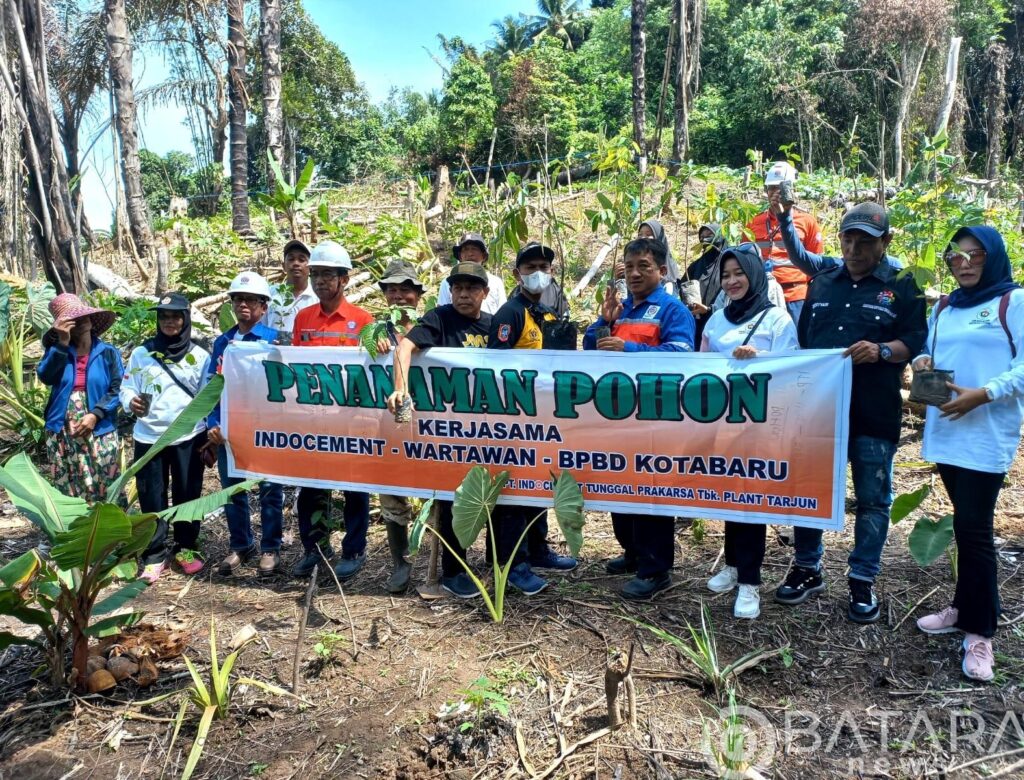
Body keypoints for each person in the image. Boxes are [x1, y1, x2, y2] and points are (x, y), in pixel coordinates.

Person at [772, 200, 927, 623]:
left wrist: (881, 351)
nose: (854, 250)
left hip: (873, 411)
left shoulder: (904, 285)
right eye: (848, 239)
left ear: (885, 242)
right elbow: (804, 345)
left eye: (865, 242)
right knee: (809, 490)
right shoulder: (823, 283)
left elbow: (915, 339)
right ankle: (807, 567)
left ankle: (862, 578)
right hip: (820, 412)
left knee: (873, 498)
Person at [913, 226, 1023, 682]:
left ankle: (981, 633)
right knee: (964, 524)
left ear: (992, 256)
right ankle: (963, 607)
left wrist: (985, 393)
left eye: (974, 254)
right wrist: (921, 361)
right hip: (947, 430)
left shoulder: (1013, 302)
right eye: (956, 256)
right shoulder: (944, 306)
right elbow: (929, 350)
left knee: (975, 531)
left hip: (986, 433)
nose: (964, 263)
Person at [583, 237, 696, 599]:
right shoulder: (621, 308)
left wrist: (629, 348)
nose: (634, 274)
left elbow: (682, 355)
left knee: (650, 491)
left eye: (643, 266)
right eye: (629, 267)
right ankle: (632, 552)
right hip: (617, 418)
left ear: (661, 271)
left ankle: (655, 570)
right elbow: (590, 349)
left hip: (654, 420)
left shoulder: (672, 310)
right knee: (619, 488)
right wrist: (604, 322)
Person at [700, 246, 799, 618]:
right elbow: (701, 366)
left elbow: (792, 367)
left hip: (760, 426)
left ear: (755, 275)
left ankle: (750, 583)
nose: (731, 281)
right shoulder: (716, 320)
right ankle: (732, 565)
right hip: (721, 424)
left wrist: (760, 360)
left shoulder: (777, 320)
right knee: (729, 497)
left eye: (738, 273)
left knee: (751, 502)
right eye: (725, 275)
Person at [386, 261, 493, 598]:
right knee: (450, 499)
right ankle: (454, 571)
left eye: (471, 288)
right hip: (448, 431)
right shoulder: (439, 318)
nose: (464, 294)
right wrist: (401, 389)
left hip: (490, 428)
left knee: (490, 497)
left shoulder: (494, 324)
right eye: (458, 288)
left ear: (485, 293)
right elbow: (405, 347)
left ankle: (498, 562)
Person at [487, 241, 580, 595]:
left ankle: (538, 549)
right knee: (513, 491)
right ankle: (513, 564)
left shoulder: (550, 313)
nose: (538, 273)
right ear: (517, 274)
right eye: (530, 268)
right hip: (514, 420)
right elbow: (496, 366)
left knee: (538, 486)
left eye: (544, 267)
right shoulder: (510, 314)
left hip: (544, 421)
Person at [290, 241, 375, 581]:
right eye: (316, 275)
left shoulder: (362, 320)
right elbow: (296, 367)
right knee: (310, 488)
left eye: (329, 275)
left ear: (344, 279)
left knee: (355, 487)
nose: (321, 281)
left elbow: (373, 370)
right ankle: (315, 548)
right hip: (313, 421)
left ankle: (354, 550)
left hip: (350, 421)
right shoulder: (303, 319)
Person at [120, 293, 212, 582]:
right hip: (149, 437)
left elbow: (207, 396)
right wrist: (131, 402)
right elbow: (126, 387)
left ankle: (186, 548)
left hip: (188, 436)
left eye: (175, 316)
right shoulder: (142, 353)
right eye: (163, 316)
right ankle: (154, 554)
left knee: (187, 494)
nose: (169, 321)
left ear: (185, 319)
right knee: (151, 496)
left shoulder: (200, 356)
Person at [206, 272, 285, 577]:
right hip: (230, 428)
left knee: (269, 489)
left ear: (264, 307)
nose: (243, 305)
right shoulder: (223, 342)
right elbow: (213, 387)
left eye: (251, 300)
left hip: (265, 428)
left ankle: (270, 547)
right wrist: (213, 422)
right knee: (232, 489)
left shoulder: (274, 341)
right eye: (238, 299)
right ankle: (241, 544)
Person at [37, 294, 122, 503]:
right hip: (63, 427)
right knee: (71, 481)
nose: (82, 320)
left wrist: (95, 414)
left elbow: (119, 388)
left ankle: (108, 522)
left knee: (105, 476)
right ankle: (77, 523)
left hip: (99, 424)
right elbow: (46, 377)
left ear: (91, 318)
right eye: (74, 319)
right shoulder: (57, 351)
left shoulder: (108, 352)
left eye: (84, 315)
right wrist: (62, 344)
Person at [375, 258, 426, 592]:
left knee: (437, 492)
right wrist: (370, 346)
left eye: (405, 290)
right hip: (387, 424)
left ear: (418, 296)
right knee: (391, 492)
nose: (398, 296)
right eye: (392, 290)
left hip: (432, 425)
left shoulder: (432, 325)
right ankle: (400, 563)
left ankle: (440, 561)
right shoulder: (376, 330)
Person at [746, 161, 824, 324]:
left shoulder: (807, 221)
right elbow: (746, 261)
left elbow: (817, 264)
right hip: (763, 295)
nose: (776, 192)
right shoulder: (754, 222)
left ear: (792, 189)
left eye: (781, 187)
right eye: (772, 188)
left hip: (796, 295)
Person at [437, 232, 508, 315]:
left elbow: (503, 312)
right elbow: (441, 312)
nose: (470, 254)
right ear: (460, 256)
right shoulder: (447, 282)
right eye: (465, 249)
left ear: (484, 255)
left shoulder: (496, 282)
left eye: (474, 249)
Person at [263, 239, 318, 342]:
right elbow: (260, 327)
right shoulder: (270, 293)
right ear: (283, 266)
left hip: (305, 351)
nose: (296, 263)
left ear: (311, 267)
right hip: (271, 351)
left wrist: (292, 341)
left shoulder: (318, 297)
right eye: (291, 259)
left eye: (301, 260)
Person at [681, 223, 726, 345]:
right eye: (702, 237)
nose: (705, 239)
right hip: (697, 321)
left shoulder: (727, 263)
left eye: (709, 235)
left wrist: (710, 309)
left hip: (720, 320)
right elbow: (683, 286)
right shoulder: (696, 266)